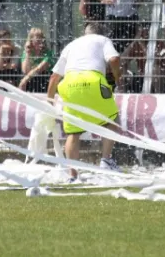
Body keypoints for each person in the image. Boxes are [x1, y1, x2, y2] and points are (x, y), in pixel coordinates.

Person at [47, 22, 122, 181]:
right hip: (93, 80)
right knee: (112, 120)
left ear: (84, 33)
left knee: (73, 133)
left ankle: (72, 174)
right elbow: (114, 59)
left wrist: (49, 101)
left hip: (69, 84)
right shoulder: (103, 40)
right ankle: (106, 160)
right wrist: (117, 77)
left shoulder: (72, 44)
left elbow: (54, 77)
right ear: (101, 33)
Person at [119, 23, 165, 93]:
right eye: (141, 29)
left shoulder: (160, 44)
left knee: (155, 70)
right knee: (121, 68)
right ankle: (121, 97)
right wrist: (134, 41)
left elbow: (153, 62)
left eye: (146, 29)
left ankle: (159, 97)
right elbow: (122, 60)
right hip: (141, 78)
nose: (143, 32)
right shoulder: (136, 44)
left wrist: (142, 45)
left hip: (156, 79)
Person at [19, 27, 55, 92]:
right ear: (31, 41)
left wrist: (25, 80)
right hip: (31, 85)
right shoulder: (27, 53)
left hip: (44, 85)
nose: (41, 42)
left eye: (42, 40)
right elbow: (25, 71)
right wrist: (28, 53)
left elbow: (39, 69)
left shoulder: (49, 53)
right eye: (38, 41)